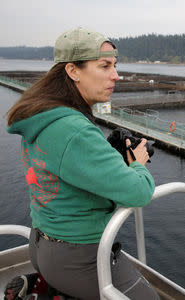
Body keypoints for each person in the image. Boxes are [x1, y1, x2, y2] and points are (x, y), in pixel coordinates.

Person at [6, 27, 160, 300]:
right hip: (79, 258)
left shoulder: (44, 115)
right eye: (105, 66)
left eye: (115, 65)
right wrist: (137, 163)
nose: (116, 75)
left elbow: (66, 172)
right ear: (73, 71)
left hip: (41, 244)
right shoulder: (74, 130)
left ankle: (42, 287)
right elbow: (140, 192)